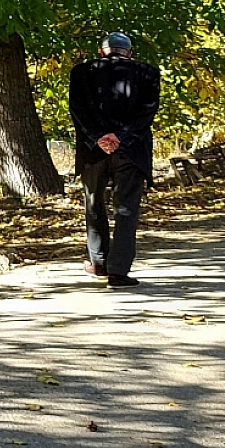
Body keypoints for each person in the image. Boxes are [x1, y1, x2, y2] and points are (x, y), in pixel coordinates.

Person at [68, 32, 161, 288]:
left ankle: (98, 262)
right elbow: (147, 112)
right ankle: (118, 272)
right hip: (132, 150)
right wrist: (121, 137)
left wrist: (99, 138)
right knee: (126, 209)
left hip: (92, 151)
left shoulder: (81, 73)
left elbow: (77, 109)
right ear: (129, 52)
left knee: (94, 204)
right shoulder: (148, 73)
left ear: (102, 51)